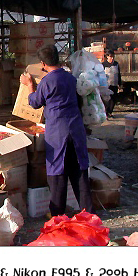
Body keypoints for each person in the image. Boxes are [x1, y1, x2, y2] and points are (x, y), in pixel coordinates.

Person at [20, 44, 94, 217]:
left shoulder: (47, 81)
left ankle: (57, 217)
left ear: (43, 64)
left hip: (58, 133)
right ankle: (89, 215)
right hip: (76, 129)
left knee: (57, 174)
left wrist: (30, 85)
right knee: (79, 173)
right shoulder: (71, 78)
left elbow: (35, 102)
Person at [102, 49, 122, 118]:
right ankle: (106, 113)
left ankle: (110, 112)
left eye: (113, 56)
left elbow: (118, 74)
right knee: (107, 100)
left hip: (114, 84)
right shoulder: (103, 65)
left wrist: (119, 83)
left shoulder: (116, 64)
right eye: (110, 56)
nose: (112, 58)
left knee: (113, 99)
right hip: (106, 85)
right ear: (107, 56)